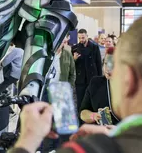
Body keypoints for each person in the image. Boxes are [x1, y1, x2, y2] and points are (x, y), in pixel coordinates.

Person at [8, 16, 142, 153]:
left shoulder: (87, 149)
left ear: (127, 78)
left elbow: (72, 73)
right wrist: (116, 133)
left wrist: (27, 140)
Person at [41, 36, 76, 152]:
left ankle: (57, 148)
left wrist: (69, 87)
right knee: (48, 121)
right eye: (61, 41)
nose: (62, 43)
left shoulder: (67, 54)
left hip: (61, 91)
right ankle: (47, 148)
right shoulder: (47, 54)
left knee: (60, 123)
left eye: (64, 42)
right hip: (47, 91)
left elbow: (72, 73)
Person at [79, 47, 119, 125]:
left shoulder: (131, 87)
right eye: (106, 63)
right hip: (101, 134)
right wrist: (94, 116)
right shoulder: (96, 83)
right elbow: (83, 113)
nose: (107, 68)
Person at [72, 29, 102, 113]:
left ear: (87, 36)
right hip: (80, 80)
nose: (81, 40)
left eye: (83, 37)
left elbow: (98, 63)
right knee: (80, 102)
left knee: (92, 101)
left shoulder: (94, 47)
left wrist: (100, 79)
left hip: (92, 79)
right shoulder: (74, 48)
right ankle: (80, 121)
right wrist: (74, 59)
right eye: (79, 38)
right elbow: (71, 66)